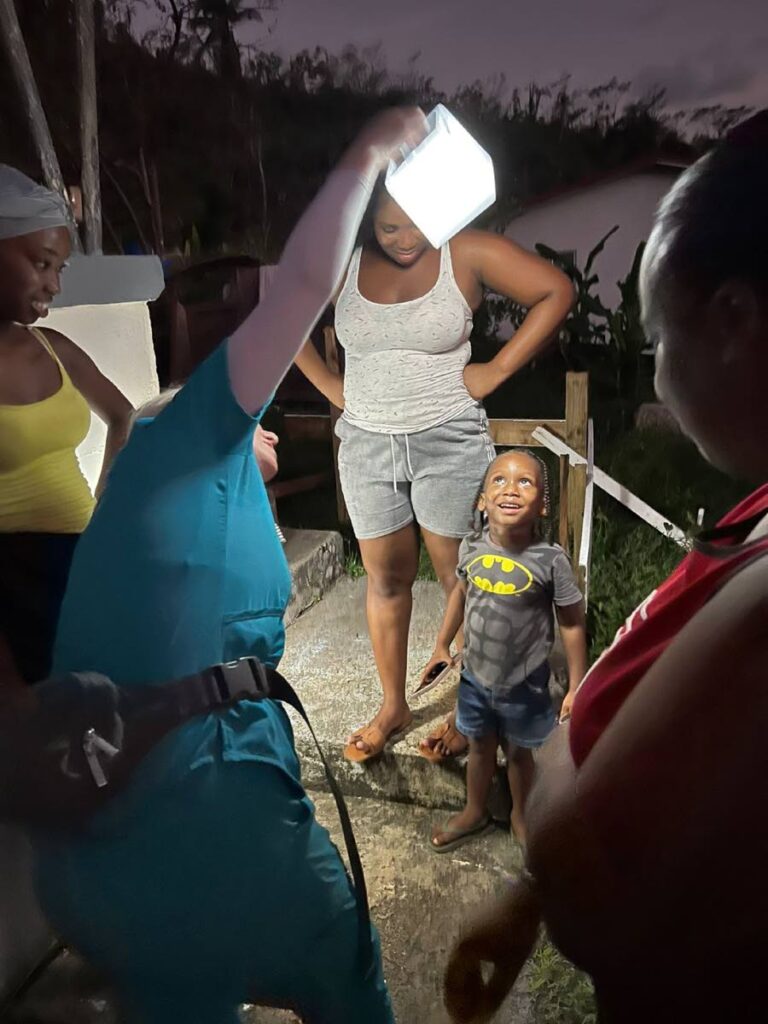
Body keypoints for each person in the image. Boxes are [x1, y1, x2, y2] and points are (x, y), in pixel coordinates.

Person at [32, 109, 428, 1024]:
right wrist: (370, 152)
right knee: (345, 967)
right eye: (259, 420)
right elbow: (295, 293)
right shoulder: (190, 436)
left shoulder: (138, 505)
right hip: (208, 828)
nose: (272, 436)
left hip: (96, 859)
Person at [443, 111, 768, 1024]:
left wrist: (546, 728)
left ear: (736, 318)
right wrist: (524, 897)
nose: (658, 374)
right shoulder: (754, 506)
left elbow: (588, 862)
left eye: (660, 340)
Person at [294, 173, 574, 762]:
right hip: (367, 444)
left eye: (416, 223)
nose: (404, 238)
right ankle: (393, 704)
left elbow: (555, 291)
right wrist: (331, 386)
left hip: (447, 439)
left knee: (466, 581)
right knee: (385, 580)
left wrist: (496, 370)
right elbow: (281, 315)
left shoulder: (465, 251)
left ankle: (468, 711)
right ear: (367, 217)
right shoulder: (343, 262)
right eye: (389, 225)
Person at [0, 165, 133, 686]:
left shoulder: (53, 348)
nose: (53, 285)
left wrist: (103, 505)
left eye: (59, 269)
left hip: (80, 561)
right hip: (13, 584)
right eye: (41, 263)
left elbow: (125, 416)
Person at [422, 450, 586, 852]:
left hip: (524, 684)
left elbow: (572, 621)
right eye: (499, 480)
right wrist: (442, 644)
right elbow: (460, 594)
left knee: (518, 755)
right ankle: (475, 810)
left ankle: (520, 816)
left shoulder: (550, 560)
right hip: (476, 679)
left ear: (543, 505)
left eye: (525, 482)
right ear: (481, 499)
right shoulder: (470, 547)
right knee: (479, 748)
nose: (510, 489)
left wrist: (578, 685)